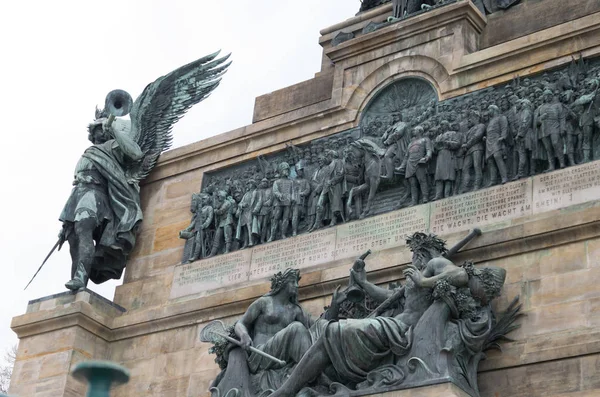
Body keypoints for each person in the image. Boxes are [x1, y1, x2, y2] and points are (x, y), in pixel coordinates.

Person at [268, 233, 470, 397]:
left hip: (400, 331)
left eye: (415, 255)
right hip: (390, 325)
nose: (413, 259)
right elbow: (392, 296)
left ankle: (287, 390)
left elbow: (461, 275)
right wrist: (364, 283)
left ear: (422, 253)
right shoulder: (424, 270)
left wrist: (423, 282)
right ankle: (294, 387)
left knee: (333, 331)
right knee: (327, 332)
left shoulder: (436, 263)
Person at [60, 116, 143, 290]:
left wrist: (115, 131)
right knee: (73, 238)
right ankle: (77, 282)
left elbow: (136, 153)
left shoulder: (112, 147)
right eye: (95, 129)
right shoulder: (88, 151)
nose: (98, 132)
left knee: (84, 228)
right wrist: (64, 225)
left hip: (95, 192)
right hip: (77, 193)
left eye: (101, 128)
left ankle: (80, 278)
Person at [211, 269, 313, 396]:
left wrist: (335, 308)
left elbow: (314, 330)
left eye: (296, 282)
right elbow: (240, 323)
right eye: (293, 282)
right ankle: (313, 372)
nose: (296, 286)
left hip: (280, 357)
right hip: (260, 354)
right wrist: (244, 335)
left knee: (300, 330)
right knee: (296, 328)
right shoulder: (265, 302)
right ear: (283, 283)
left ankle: (313, 371)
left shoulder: (295, 310)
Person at [397, 126, 432, 206]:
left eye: (415, 130)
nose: (413, 131)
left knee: (422, 180)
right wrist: (402, 166)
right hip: (410, 164)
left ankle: (425, 197)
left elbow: (429, 150)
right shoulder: (411, 143)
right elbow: (406, 156)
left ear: (420, 131)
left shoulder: (425, 139)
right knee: (412, 183)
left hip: (419, 162)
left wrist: (426, 158)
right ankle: (414, 201)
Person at [536, 90, 566, 171]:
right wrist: (541, 117)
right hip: (544, 129)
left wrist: (562, 128)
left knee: (556, 143)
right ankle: (551, 166)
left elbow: (562, 118)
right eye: (546, 95)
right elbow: (536, 122)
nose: (547, 97)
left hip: (555, 126)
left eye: (549, 95)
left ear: (552, 96)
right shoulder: (540, 108)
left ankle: (562, 162)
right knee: (548, 148)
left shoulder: (558, 105)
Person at [460, 110, 486, 192]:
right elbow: (464, 141)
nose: (469, 121)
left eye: (470, 119)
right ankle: (465, 186)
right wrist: (464, 146)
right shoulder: (468, 131)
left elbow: (477, 136)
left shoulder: (481, 126)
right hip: (468, 151)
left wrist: (467, 144)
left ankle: (477, 185)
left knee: (477, 166)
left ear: (476, 118)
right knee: (465, 168)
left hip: (477, 148)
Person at [485, 105, 509, 186]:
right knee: (490, 160)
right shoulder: (490, 121)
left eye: (489, 109)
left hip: (497, 139)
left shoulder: (501, 117)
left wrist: (503, 136)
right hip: (489, 142)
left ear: (494, 109)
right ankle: (493, 180)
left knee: (497, 156)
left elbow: (504, 127)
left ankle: (504, 177)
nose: (488, 111)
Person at [269, 162, 294, 241]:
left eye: (287, 170)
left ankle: (283, 234)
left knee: (286, 218)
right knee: (276, 219)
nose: (286, 171)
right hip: (278, 203)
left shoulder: (291, 182)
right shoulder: (277, 182)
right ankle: (272, 236)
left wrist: (292, 198)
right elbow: (275, 191)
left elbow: (293, 191)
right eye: (285, 170)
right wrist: (279, 195)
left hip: (287, 202)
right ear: (281, 171)